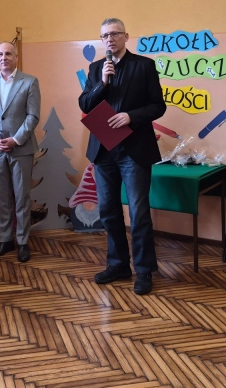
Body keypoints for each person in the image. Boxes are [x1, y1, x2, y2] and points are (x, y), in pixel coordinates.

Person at [78, 18, 166, 295]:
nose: (110, 39)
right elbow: (85, 103)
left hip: (134, 150)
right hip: (104, 150)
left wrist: (131, 116)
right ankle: (118, 265)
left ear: (126, 36)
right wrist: (101, 83)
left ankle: (144, 270)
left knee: (139, 213)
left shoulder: (144, 66)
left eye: (115, 34)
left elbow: (158, 106)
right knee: (108, 210)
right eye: (105, 35)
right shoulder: (96, 69)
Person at [0, 42, 41, 262]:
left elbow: (33, 116)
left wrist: (15, 140)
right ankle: (5, 240)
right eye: (0, 54)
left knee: (22, 198)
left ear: (16, 57)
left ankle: (23, 242)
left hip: (21, 149)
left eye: (8, 54)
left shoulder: (30, 82)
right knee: (3, 198)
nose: (3, 58)